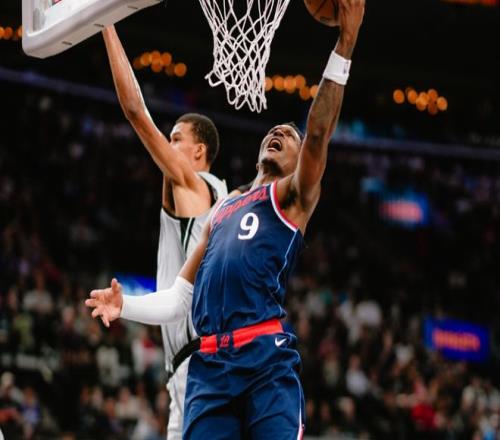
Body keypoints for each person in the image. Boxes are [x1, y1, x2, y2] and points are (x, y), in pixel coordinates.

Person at [88, 1, 365, 437]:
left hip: (264, 360)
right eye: (273, 130)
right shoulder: (223, 208)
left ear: (302, 164)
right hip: (209, 369)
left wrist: (345, 44)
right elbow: (180, 299)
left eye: (289, 135)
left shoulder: (292, 198)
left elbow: (317, 132)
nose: (279, 131)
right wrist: (127, 306)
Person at [102, 26, 228, 439]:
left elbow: (135, 111)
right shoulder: (219, 196)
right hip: (192, 369)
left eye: (176, 139)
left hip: (198, 367)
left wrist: (104, 22)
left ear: (198, 152)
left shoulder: (195, 185)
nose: (168, 146)